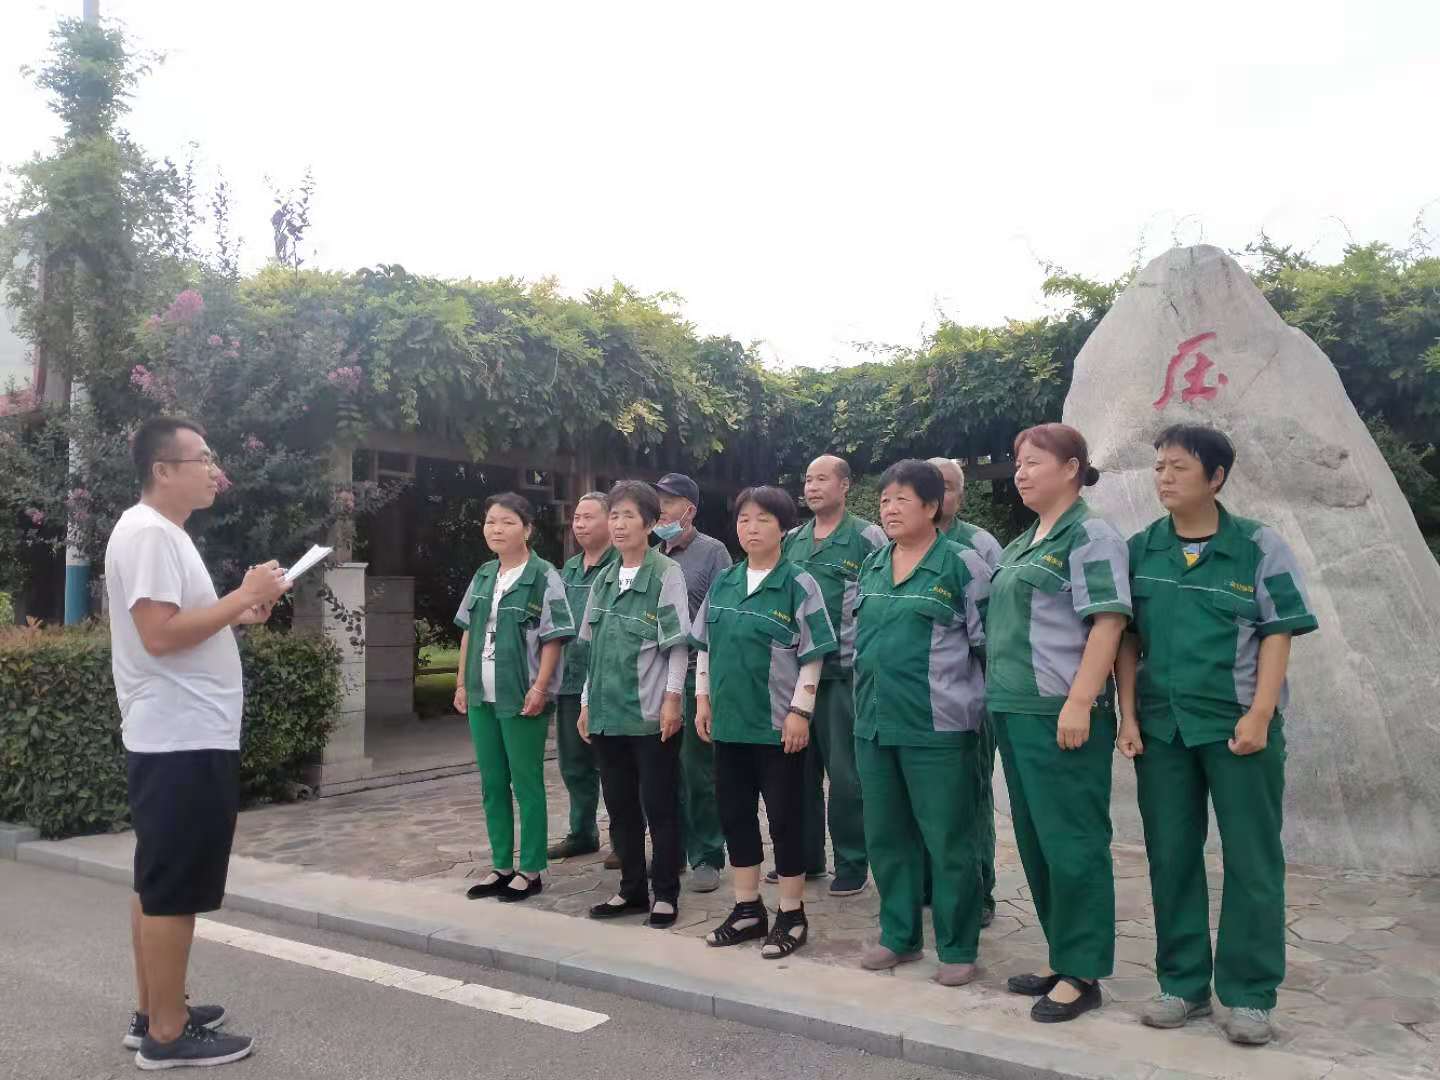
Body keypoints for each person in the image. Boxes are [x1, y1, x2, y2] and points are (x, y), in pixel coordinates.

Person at [1116, 425, 1318, 1046]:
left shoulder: (1258, 546)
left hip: (1236, 728)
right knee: (1171, 855)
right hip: (1163, 730)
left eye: (1178, 466)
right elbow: (1126, 638)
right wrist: (1128, 716)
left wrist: (1260, 713)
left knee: (1252, 859)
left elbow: (1278, 631)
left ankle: (1250, 995)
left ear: (1217, 477)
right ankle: (1182, 985)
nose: (1164, 477)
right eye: (1159, 466)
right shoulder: (1141, 549)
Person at [107, 417, 290, 1070]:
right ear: (163, 470)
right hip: (180, 735)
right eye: (203, 458)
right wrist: (243, 592)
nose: (216, 470)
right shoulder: (150, 533)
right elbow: (159, 635)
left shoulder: (164, 533)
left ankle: (155, 1010)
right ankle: (167, 1033)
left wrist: (242, 609)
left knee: (158, 878)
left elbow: (182, 624)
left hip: (180, 731)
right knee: (174, 885)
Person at [985, 423, 1131, 1023]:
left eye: (1034, 462)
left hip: (1060, 713)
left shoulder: (1090, 535)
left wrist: (1080, 701)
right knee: (1038, 841)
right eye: (1017, 462)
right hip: (1015, 711)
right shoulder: (1023, 543)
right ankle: (1062, 955)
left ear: (1071, 468)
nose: (1021, 473)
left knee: (1073, 843)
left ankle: (1084, 973)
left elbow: (1109, 620)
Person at [853, 460, 993, 988]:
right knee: (887, 836)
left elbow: (988, 647)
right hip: (874, 723)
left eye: (902, 499)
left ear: (932, 506)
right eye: (884, 500)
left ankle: (958, 947)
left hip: (939, 728)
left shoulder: (962, 565)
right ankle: (899, 935)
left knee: (950, 840)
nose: (889, 509)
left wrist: (978, 715)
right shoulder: (872, 565)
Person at [693, 486, 838, 958]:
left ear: (783, 528)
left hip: (779, 728)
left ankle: (791, 913)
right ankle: (747, 908)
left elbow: (813, 655)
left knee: (785, 819)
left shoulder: (799, 583)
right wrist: (702, 700)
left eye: (763, 520)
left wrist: (801, 712)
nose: (751, 528)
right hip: (729, 725)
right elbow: (705, 647)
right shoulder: (724, 582)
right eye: (744, 520)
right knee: (735, 816)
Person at [579, 480, 692, 928]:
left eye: (629, 515)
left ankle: (665, 893)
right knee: (620, 807)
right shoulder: (603, 579)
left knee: (660, 806)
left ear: (650, 523)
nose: (619, 524)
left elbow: (677, 646)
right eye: (614, 516)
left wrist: (673, 700)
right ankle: (631, 891)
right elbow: (593, 649)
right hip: (607, 715)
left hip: (649, 715)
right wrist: (586, 703)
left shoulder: (666, 574)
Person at [454, 492, 576, 904]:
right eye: (491, 521)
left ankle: (531, 868)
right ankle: (501, 865)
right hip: (481, 694)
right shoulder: (484, 574)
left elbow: (554, 637)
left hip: (521, 694)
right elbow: (468, 631)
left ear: (527, 529)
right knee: (492, 783)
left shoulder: (543, 575)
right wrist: (461, 683)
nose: (497, 529)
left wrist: (540, 687)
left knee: (526, 783)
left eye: (507, 522)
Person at [776, 454, 886, 897]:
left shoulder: (867, 537)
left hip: (844, 674)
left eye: (823, 479)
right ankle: (805, 857)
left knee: (845, 776)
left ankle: (852, 861)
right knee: (797, 772)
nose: (812, 487)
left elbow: (881, 596)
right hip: (797, 676)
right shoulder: (792, 540)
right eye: (808, 479)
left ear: (845, 485)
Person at [928, 457, 1004, 925]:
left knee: (970, 800)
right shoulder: (897, 547)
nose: (939, 496)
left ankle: (980, 891)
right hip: (916, 704)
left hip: (966, 703)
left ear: (961, 495)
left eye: (948, 487)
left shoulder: (979, 546)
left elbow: (993, 631)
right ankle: (931, 886)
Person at [653, 472, 732, 893]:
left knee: (697, 772)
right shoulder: (650, 557)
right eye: (658, 502)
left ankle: (707, 854)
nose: (661, 511)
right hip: (653, 678)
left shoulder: (713, 552)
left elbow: (723, 617)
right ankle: (672, 851)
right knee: (660, 774)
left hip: (692, 679)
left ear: (690, 510)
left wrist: (708, 687)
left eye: (669, 502)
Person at [548, 492, 618, 861]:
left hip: (607, 681)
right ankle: (582, 832)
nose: (580, 524)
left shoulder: (620, 565)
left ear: (610, 521)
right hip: (568, 680)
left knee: (614, 766)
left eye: (589, 517)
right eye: (577, 517)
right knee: (573, 764)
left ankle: (623, 839)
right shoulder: (569, 569)